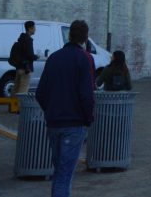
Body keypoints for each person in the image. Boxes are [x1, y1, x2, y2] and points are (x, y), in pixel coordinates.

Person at [36, 19, 95, 197]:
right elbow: (87, 94)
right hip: (73, 123)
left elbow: (40, 92)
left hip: (54, 122)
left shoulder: (54, 57)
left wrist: (51, 111)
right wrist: (87, 118)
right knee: (65, 173)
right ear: (85, 38)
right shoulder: (85, 58)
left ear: (69, 35)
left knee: (59, 172)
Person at [10, 21, 38, 96]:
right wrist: (36, 57)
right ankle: (20, 107)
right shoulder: (28, 40)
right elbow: (30, 55)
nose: (35, 29)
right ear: (30, 29)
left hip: (19, 68)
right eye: (34, 28)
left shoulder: (21, 39)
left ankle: (12, 106)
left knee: (16, 88)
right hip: (26, 69)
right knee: (23, 90)